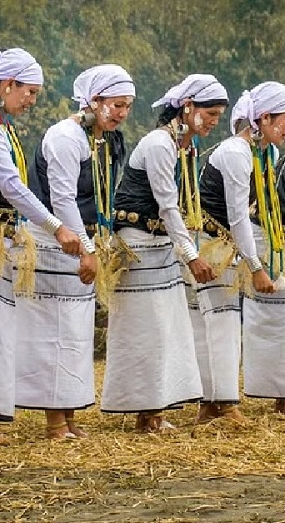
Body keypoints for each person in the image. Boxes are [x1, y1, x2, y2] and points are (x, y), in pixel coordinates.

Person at [0, 48, 91, 441]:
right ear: (7, 85)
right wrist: (57, 228)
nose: (31, 101)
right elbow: (11, 186)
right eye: (29, 92)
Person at [103, 74, 225, 433]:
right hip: (138, 244)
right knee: (146, 329)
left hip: (160, 245)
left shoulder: (184, 146)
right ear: (187, 108)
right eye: (210, 113)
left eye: (219, 114)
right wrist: (191, 255)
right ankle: (146, 411)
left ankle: (155, 409)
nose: (214, 121)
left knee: (167, 328)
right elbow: (168, 206)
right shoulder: (159, 144)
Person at [24, 64, 133, 439]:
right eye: (116, 104)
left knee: (76, 334)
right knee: (56, 332)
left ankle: (69, 417)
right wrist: (86, 250)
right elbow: (62, 198)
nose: (120, 113)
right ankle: (55, 422)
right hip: (58, 244)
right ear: (94, 100)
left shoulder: (108, 140)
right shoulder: (65, 135)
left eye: (126, 106)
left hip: (85, 242)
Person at [203, 82, 285, 418]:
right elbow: (236, 217)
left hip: (226, 247)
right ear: (263, 118)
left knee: (225, 323)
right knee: (220, 324)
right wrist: (257, 267)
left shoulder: (265, 154)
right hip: (210, 244)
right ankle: (219, 404)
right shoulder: (236, 152)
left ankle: (219, 403)